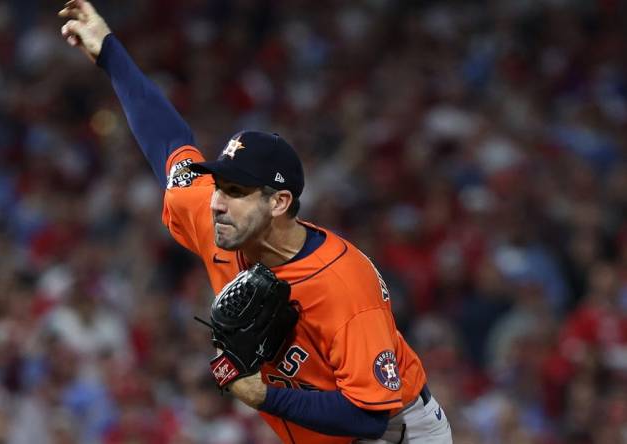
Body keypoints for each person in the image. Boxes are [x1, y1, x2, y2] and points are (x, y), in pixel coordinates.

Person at [59, 1, 453, 442]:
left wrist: (264, 395)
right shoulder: (217, 215)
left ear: (279, 202)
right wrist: (109, 52)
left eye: (237, 191)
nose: (217, 203)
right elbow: (167, 141)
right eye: (220, 186)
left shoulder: (344, 285)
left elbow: (368, 416)